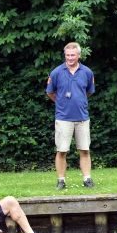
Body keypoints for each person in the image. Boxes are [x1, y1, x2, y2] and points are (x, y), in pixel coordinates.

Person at [46, 41, 96, 190]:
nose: (70, 58)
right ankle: (61, 181)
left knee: (85, 149)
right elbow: (50, 92)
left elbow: (89, 92)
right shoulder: (56, 72)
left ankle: (87, 179)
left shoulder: (87, 72)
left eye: (73, 55)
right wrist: (61, 102)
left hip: (82, 117)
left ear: (79, 55)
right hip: (63, 118)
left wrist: (78, 101)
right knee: (61, 151)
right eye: (67, 55)